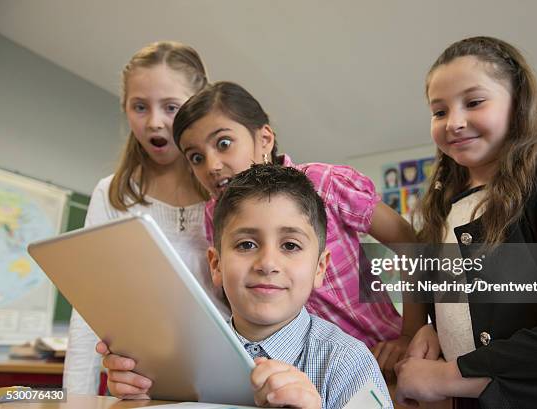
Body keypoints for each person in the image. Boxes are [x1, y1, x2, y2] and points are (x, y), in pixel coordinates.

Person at [394, 36, 537, 408]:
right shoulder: (440, 206)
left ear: (518, 103)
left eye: (474, 102)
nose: (454, 123)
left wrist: (450, 376)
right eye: (439, 111)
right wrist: (434, 329)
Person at [171, 81, 427, 378]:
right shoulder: (216, 213)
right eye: (196, 157)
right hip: (299, 373)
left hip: (383, 359)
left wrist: (410, 334)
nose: (212, 165)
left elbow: (410, 242)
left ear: (264, 138)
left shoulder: (324, 183)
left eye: (224, 144)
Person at [97, 164, 393, 409]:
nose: (267, 263)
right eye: (246, 244)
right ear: (216, 265)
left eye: (290, 245)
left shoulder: (347, 361)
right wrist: (142, 398)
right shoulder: (183, 357)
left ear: (320, 268)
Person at [63, 41, 229, 395]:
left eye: (171, 107)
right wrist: (76, 399)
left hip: (228, 382)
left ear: (197, 106)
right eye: (140, 107)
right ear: (124, 107)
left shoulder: (227, 188)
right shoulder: (112, 195)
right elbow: (88, 307)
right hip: (141, 386)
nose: (155, 122)